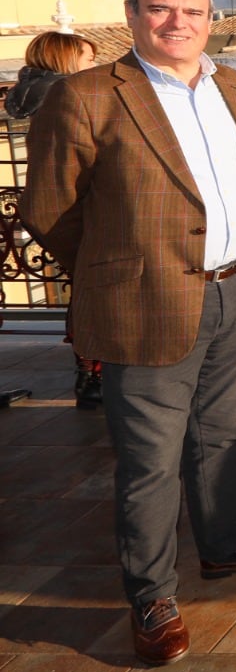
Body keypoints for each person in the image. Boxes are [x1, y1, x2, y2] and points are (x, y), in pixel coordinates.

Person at [20, 0, 236, 667]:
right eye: (160, 10)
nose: (176, 23)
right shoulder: (85, 96)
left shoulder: (232, 87)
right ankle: (151, 596)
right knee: (150, 464)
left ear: (211, 19)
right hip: (143, 306)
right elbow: (51, 210)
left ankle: (223, 545)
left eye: (192, 11)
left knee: (220, 437)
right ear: (132, 14)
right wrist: (119, 270)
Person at [5, 30, 102, 408]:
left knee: (84, 296)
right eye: (88, 58)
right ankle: (93, 375)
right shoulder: (67, 97)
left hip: (61, 211)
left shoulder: (32, 95)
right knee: (95, 298)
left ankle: (90, 373)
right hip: (80, 211)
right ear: (66, 59)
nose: (95, 65)